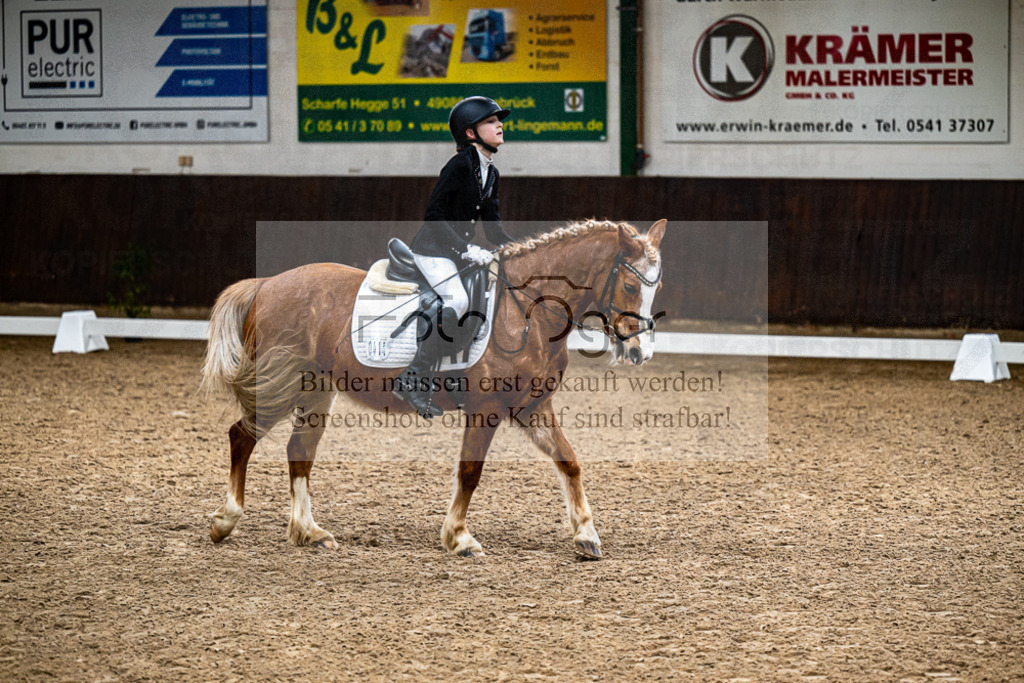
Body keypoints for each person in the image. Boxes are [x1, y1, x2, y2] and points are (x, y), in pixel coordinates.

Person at [392, 96, 516, 418]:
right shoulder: (460, 165)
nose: (500, 125)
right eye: (491, 121)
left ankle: (451, 376)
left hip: (456, 252)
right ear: (471, 133)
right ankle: (413, 377)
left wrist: (522, 250)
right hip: (433, 249)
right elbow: (433, 214)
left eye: (498, 120)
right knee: (458, 303)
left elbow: (493, 230)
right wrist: (463, 250)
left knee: (480, 300)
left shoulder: (491, 173)